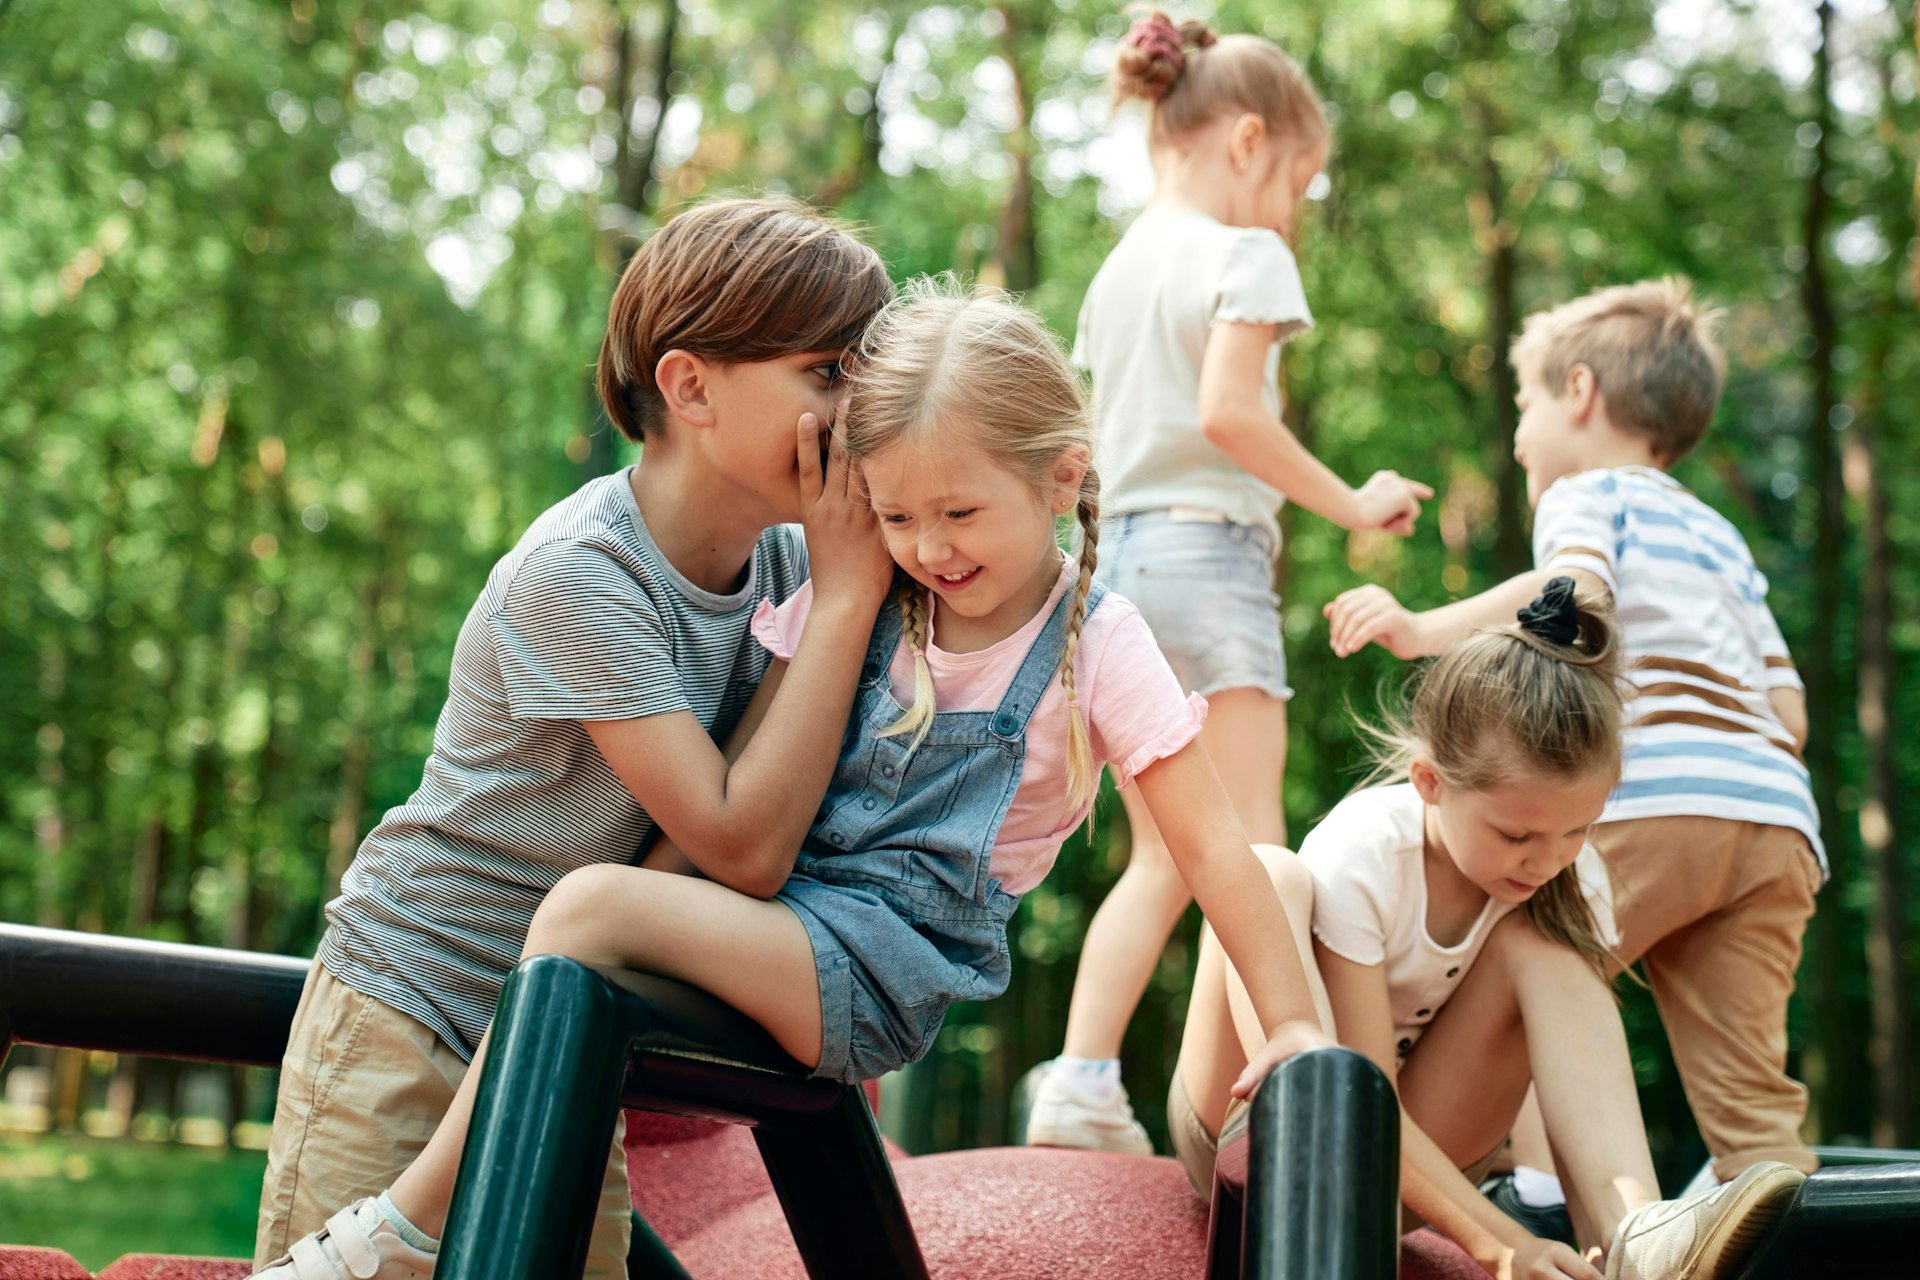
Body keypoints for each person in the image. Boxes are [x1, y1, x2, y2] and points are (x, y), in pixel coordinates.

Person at [250, 277, 1333, 1280]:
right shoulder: (850, 594)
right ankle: (425, 1206)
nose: (929, 547)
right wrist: (665, 902)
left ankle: (401, 1220)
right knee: (595, 931)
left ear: (1062, 475)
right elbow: (750, 778)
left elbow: (1212, 847)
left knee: (584, 907)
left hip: (883, 964)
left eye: (960, 513)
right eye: (897, 515)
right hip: (775, 921)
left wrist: (1287, 1021)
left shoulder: (1098, 641)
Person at [249, 196, 897, 1280]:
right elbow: (742, 844)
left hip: (560, 1032)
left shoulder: (785, 570)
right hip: (412, 1014)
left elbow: (699, 858)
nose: (858, 411)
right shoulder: (584, 573)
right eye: (828, 372)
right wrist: (838, 608)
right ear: (690, 385)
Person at [1325, 279, 1822, 1213]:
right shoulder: (1719, 534)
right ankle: (1794, 1238)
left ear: (1580, 394)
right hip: (1775, 820)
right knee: (1754, 1105)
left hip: (1660, 800)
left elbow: (1574, 595)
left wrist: (1421, 627)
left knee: (1534, 972)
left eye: (1525, 406)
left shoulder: (1588, 495)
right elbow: (1789, 709)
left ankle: (1542, 1195)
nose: (1518, 435)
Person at [1028, 9, 1432, 1154]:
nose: (1297, 204)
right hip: (1211, 556)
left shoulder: (1118, 266)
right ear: (1248, 142)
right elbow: (1228, 412)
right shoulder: (1246, 253)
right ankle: (1276, 1100)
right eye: (1301, 176)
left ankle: (1080, 1080)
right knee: (1256, 848)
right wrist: (1352, 502)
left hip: (1121, 565)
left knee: (1171, 853)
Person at [1176, 582, 1806, 1280]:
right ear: (1429, 782)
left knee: (1547, 946)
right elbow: (1360, 1104)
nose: (1548, 858)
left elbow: (1575, 1073)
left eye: (1578, 828)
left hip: (1413, 1173)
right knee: (1271, 872)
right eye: (1516, 834)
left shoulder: (1568, 877)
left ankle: (1640, 1235)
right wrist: (1502, 1242)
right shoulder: (1365, 855)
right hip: (1263, 1139)